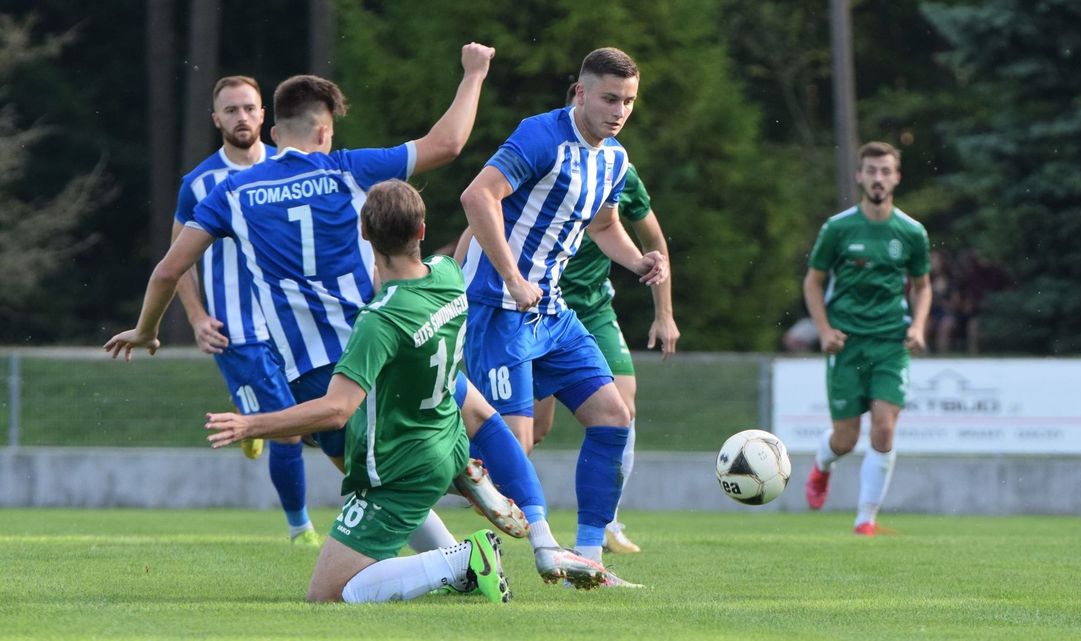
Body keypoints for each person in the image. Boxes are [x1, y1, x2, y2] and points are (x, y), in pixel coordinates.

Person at [106, 56, 612, 588]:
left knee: (373, 482)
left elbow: (169, 269)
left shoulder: (230, 192)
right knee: (479, 415)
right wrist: (472, 75)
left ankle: (457, 559)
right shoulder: (347, 167)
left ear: (275, 132)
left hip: (319, 366)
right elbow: (447, 144)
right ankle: (538, 539)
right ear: (325, 130)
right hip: (392, 337)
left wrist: (146, 329)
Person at [200, 180, 510, 604]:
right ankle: (461, 515)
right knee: (395, 526)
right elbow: (478, 224)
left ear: (363, 234)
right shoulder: (449, 275)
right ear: (421, 230)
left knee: (326, 595)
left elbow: (336, 410)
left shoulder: (380, 321)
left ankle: (462, 562)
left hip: (402, 466)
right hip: (446, 439)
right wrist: (497, 189)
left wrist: (250, 424)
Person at [459, 47, 668, 566]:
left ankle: (591, 559)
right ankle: (406, 478)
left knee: (613, 418)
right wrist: (511, 275)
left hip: (551, 311)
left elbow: (602, 226)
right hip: (496, 305)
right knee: (517, 446)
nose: (619, 111)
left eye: (629, 102)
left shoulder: (615, 160)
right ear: (580, 93)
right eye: (609, 98)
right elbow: (477, 197)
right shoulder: (540, 134)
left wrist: (638, 262)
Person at [170, 75, 322, 545]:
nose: (241, 117)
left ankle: (250, 412)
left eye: (249, 108)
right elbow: (175, 262)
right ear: (216, 119)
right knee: (289, 433)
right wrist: (197, 318)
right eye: (231, 110)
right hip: (238, 332)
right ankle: (301, 530)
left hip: (295, 325)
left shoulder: (291, 166)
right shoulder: (198, 184)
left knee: (319, 423)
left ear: (265, 116)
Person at [801, 141, 931, 536]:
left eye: (885, 171)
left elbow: (923, 286)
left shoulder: (911, 232)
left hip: (891, 342)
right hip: (847, 342)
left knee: (885, 428)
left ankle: (865, 519)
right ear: (860, 176)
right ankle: (823, 465)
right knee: (845, 438)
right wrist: (823, 331)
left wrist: (918, 326)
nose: (878, 178)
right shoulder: (838, 228)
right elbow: (813, 282)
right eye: (871, 170)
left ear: (896, 178)